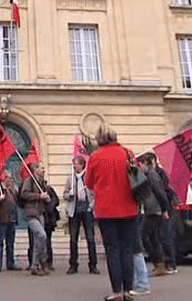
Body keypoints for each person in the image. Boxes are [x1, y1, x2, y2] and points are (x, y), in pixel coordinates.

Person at [86, 127, 138, 301]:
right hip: (129, 207)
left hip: (106, 210)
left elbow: (89, 183)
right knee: (127, 249)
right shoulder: (127, 153)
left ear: (99, 139)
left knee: (113, 250)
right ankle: (129, 290)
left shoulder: (95, 157)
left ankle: (116, 290)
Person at [63, 156, 99, 275]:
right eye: (74, 164)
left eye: (76, 164)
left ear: (82, 165)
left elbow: (95, 193)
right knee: (73, 239)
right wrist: (69, 195)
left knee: (90, 238)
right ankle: (73, 265)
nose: (74, 166)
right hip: (74, 211)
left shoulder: (88, 178)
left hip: (87, 210)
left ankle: (93, 265)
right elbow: (65, 194)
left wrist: (92, 206)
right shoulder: (70, 179)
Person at [139, 152, 170, 277]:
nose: (140, 166)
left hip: (154, 210)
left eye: (141, 163)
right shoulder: (147, 175)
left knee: (144, 236)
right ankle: (159, 265)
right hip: (151, 209)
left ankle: (158, 263)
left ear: (146, 163)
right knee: (153, 237)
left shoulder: (151, 175)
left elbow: (160, 192)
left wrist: (164, 209)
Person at [20, 162, 52, 276]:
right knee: (41, 235)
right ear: (35, 170)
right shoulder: (29, 181)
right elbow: (23, 194)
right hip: (31, 213)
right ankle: (42, 261)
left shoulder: (42, 183)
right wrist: (39, 196)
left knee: (39, 239)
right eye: (42, 168)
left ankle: (35, 265)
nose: (44, 170)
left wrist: (47, 198)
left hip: (40, 212)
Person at [0, 173, 20, 272]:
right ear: (4, 179)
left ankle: (10, 263)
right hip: (1, 219)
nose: (10, 180)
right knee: (0, 242)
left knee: (10, 243)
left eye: (11, 178)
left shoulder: (13, 189)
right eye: (9, 178)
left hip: (12, 219)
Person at [154, 159, 180, 274]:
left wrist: (165, 209)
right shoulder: (157, 173)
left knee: (165, 236)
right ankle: (164, 264)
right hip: (162, 208)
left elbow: (162, 192)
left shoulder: (159, 174)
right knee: (159, 237)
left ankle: (171, 264)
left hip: (165, 208)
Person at [130, 204, 151, 296]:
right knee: (133, 248)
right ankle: (137, 282)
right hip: (135, 211)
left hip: (134, 212)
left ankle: (142, 284)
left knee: (135, 248)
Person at [43, 181, 60, 271]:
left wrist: (49, 202)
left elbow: (56, 201)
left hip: (48, 219)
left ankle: (49, 262)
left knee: (48, 241)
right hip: (41, 217)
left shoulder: (49, 189)